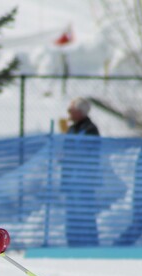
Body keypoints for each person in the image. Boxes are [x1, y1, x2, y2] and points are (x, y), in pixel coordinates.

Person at [61, 97, 101, 246]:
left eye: (72, 110)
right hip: (71, 181)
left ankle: (90, 245)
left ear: (81, 112)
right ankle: (73, 244)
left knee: (85, 214)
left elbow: (89, 154)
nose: (69, 113)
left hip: (84, 181)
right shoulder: (72, 129)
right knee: (72, 216)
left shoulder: (90, 129)